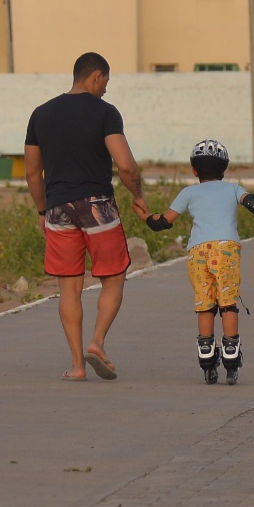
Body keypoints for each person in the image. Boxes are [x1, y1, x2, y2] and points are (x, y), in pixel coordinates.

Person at [24, 51, 149, 382]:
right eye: (106, 81)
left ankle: (77, 366)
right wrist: (138, 195)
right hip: (98, 206)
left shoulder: (41, 114)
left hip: (57, 208)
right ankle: (97, 342)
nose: (106, 89)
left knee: (69, 289)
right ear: (96, 76)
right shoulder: (105, 112)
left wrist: (42, 210)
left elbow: (33, 173)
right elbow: (126, 165)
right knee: (114, 277)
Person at [138, 138, 254, 383]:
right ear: (224, 169)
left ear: (194, 171)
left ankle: (206, 353)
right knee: (228, 302)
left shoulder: (188, 193)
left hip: (198, 252)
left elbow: (162, 223)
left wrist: (145, 217)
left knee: (205, 304)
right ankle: (231, 352)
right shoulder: (233, 188)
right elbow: (253, 203)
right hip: (227, 250)